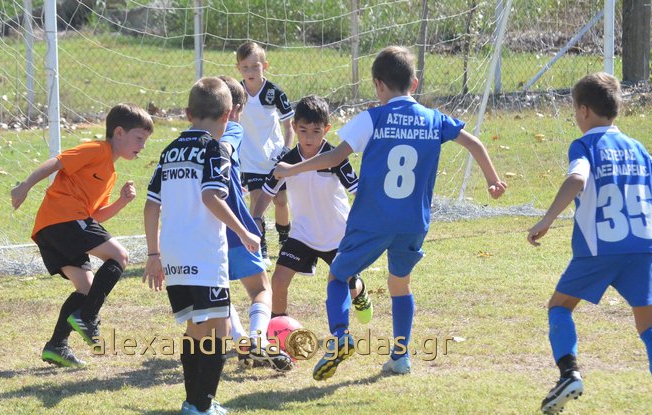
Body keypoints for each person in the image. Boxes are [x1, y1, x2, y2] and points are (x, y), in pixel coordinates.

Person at [274, 46, 506, 381]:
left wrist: (291, 169)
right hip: (413, 221)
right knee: (400, 284)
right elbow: (474, 144)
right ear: (414, 83)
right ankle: (400, 356)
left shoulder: (373, 118)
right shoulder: (434, 119)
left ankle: (340, 337)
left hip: (373, 219)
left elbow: (335, 157)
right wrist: (493, 180)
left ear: (379, 85)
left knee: (338, 276)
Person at [527, 72, 652, 415]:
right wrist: (639, 216)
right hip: (641, 247)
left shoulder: (584, 146)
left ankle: (569, 374)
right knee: (650, 325)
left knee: (560, 306)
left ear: (583, 110)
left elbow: (577, 178)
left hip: (599, 249)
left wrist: (547, 219)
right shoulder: (636, 147)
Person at [143, 77, 260, 415]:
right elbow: (211, 197)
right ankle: (202, 405)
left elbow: (151, 206)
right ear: (228, 115)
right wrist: (243, 231)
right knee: (220, 329)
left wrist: (153, 255)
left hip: (173, 253)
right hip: (204, 252)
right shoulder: (215, 149)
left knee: (196, 328)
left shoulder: (169, 151)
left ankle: (193, 401)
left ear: (188, 113)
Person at [11, 103, 153, 368]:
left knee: (87, 288)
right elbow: (57, 162)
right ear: (119, 133)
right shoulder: (96, 149)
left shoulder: (110, 173)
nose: (142, 145)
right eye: (139, 138)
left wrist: (121, 202)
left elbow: (94, 217)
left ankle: (57, 345)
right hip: (62, 220)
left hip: (55, 228)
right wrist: (25, 186)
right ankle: (87, 318)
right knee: (120, 256)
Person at [252, 95, 372, 324]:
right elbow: (267, 191)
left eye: (316, 131)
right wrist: (256, 217)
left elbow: (358, 191)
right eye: (303, 130)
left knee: (347, 286)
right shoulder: (286, 161)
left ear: (326, 129)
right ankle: (279, 326)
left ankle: (360, 290)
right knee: (278, 280)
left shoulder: (335, 158)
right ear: (294, 126)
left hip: (337, 235)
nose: (309, 137)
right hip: (303, 234)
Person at [216, 75, 293, 372]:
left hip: (204, 230)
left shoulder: (190, 141)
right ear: (235, 109)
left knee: (218, 288)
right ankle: (257, 338)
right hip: (235, 224)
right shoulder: (234, 130)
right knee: (261, 288)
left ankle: (240, 340)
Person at [236, 41, 294, 263]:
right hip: (250, 159)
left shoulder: (274, 92)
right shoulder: (236, 92)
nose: (250, 71)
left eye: (255, 66)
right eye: (245, 67)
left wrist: (286, 150)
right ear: (238, 68)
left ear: (265, 66)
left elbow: (289, 126)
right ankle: (261, 246)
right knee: (256, 200)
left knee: (280, 200)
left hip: (274, 158)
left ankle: (284, 240)